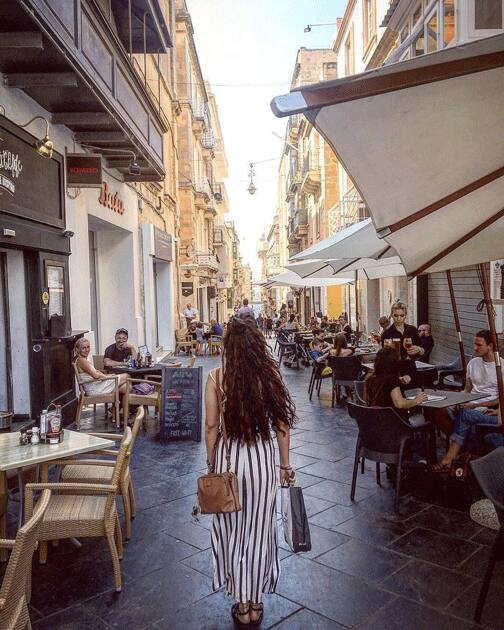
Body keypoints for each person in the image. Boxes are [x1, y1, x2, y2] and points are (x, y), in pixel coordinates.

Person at [204, 317, 296, 625]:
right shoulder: (269, 375)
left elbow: (211, 427)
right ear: (256, 345)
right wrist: (285, 465)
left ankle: (240, 605)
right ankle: (256, 603)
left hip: (229, 463)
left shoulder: (216, 378)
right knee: (258, 532)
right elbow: (282, 426)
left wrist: (210, 462)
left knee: (232, 532)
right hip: (260, 461)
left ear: (228, 346)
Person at [433, 330, 500, 470]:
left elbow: (501, 399)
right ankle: (463, 447)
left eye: (479, 345)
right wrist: (458, 401)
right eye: (474, 344)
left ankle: (451, 457)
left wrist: (475, 405)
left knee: (465, 415)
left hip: (486, 409)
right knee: (439, 411)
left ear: (491, 346)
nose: (475, 348)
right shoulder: (473, 363)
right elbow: (467, 390)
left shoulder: (501, 368)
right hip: (469, 404)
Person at [364, 347, 427, 419]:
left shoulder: (370, 378)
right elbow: (399, 404)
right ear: (394, 363)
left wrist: (399, 381)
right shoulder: (392, 379)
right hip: (394, 422)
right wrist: (416, 400)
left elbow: (367, 401)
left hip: (376, 420)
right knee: (425, 418)